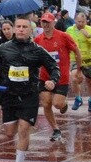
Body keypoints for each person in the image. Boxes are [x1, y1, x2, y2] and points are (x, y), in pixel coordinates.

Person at [0, 15, 60, 162]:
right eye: (18, 26)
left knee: (24, 129)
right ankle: (18, 131)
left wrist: (52, 81)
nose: (20, 29)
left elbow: (54, 67)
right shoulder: (3, 48)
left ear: (30, 30)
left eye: (24, 27)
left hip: (29, 95)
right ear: (13, 29)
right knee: (10, 132)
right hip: (8, 95)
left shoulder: (37, 50)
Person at [33, 13, 82, 143]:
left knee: (57, 104)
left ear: (54, 23)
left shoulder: (64, 36)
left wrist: (79, 70)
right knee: (46, 103)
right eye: (43, 22)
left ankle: (64, 104)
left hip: (61, 77)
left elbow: (77, 51)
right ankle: (56, 129)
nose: (45, 25)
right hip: (44, 77)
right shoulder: (38, 40)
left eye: (48, 22)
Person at [67, 11, 91, 113]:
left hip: (88, 59)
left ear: (86, 21)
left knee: (89, 81)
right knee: (74, 77)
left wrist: (89, 37)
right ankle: (78, 98)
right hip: (74, 59)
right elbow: (66, 42)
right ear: (75, 21)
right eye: (78, 21)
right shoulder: (69, 30)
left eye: (82, 22)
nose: (80, 24)